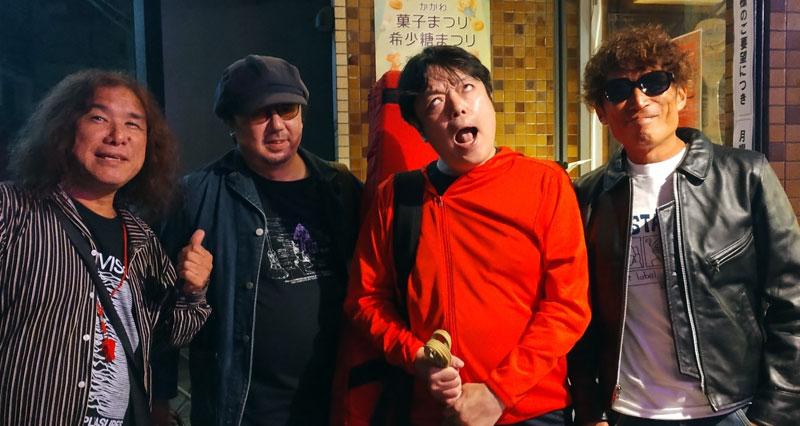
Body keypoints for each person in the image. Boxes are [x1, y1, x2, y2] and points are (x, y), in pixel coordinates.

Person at [344, 45, 591, 425]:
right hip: (432, 412)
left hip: (532, 412)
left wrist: (497, 394)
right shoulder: (396, 196)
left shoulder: (545, 183)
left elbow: (567, 306)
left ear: (490, 99)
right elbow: (365, 298)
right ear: (420, 130)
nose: (457, 107)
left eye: (468, 88)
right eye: (435, 102)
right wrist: (415, 355)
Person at [569, 25, 800, 426]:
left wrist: (774, 412)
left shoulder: (745, 177)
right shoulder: (587, 198)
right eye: (618, 90)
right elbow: (578, 315)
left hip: (732, 410)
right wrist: (590, 410)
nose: (639, 99)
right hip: (627, 413)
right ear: (601, 112)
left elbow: (792, 299)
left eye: (654, 82)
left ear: (680, 93)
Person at [151, 54, 362, 426]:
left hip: (334, 404)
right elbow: (154, 307)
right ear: (231, 124)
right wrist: (158, 398)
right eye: (260, 114)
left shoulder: (341, 188)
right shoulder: (195, 196)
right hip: (240, 411)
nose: (277, 125)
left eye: (288, 110)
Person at [0, 69, 212, 426]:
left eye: (133, 125)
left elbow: (168, 335)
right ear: (64, 129)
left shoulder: (142, 239)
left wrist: (193, 290)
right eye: (99, 118)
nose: (118, 136)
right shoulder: (13, 209)